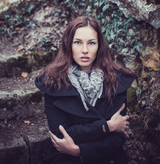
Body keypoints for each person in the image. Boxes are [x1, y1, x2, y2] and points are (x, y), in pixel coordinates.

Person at [35, 16, 136, 164]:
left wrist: (79, 151)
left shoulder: (117, 80)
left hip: (108, 158)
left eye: (91, 43)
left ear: (99, 46)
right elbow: (62, 135)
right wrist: (107, 126)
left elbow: (118, 137)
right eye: (77, 42)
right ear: (68, 45)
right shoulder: (52, 82)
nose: (84, 50)